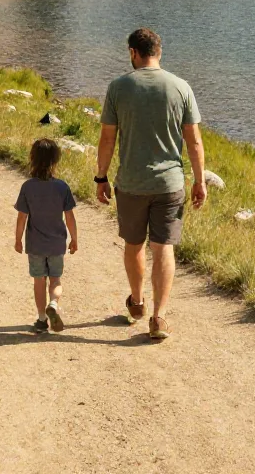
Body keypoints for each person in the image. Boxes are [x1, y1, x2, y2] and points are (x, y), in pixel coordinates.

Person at [96, 27, 206, 341]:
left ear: (133, 52)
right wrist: (199, 181)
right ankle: (159, 317)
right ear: (159, 52)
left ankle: (137, 302)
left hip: (131, 183)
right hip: (170, 184)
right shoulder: (181, 87)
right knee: (163, 248)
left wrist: (101, 177)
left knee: (134, 246)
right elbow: (194, 142)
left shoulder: (118, 87)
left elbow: (107, 139)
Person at [14, 138, 78, 333]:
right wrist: (74, 239)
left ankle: (42, 319)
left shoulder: (28, 187)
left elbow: (22, 217)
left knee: (39, 281)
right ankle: (54, 304)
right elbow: (69, 217)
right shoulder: (62, 187)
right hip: (57, 244)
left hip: (35, 245)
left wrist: (18, 240)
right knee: (55, 279)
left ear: (32, 159)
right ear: (55, 161)